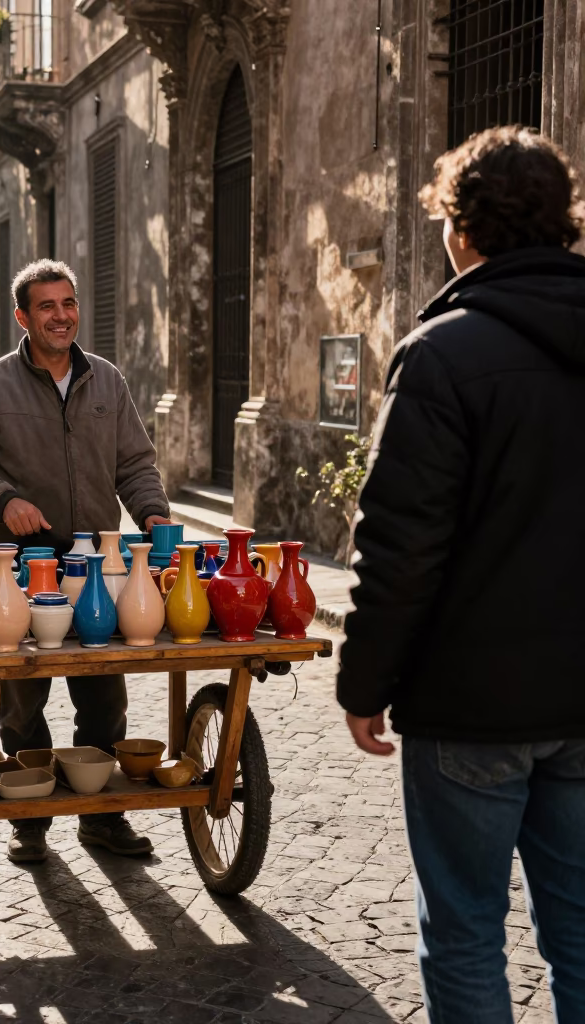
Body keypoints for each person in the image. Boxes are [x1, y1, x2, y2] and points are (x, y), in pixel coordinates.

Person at [336, 126, 585, 1024]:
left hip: (471, 704)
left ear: (465, 229)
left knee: (467, 930)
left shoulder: (442, 351)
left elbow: (401, 548)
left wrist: (365, 684)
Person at [0, 259, 172, 864]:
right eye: (46, 306)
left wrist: (152, 513)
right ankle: (31, 818)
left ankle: (103, 819)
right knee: (22, 697)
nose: (61, 316)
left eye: (67, 304)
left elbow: (135, 465)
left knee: (104, 694)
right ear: (23, 316)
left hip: (99, 566)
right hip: (21, 568)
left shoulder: (108, 383)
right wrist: (3, 499)